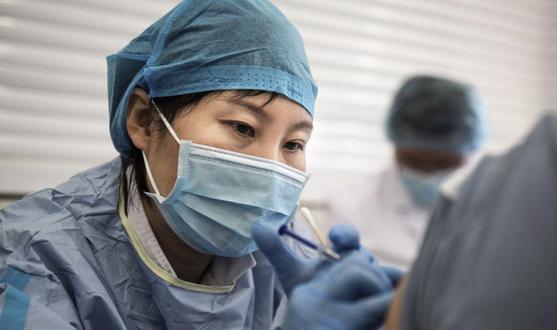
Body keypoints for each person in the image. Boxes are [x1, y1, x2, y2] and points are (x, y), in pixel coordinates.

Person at [0, 0, 343, 328]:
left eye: (293, 144)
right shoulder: (33, 262)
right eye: (242, 127)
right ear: (145, 120)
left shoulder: (287, 260)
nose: (270, 172)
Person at [254, 114, 557, 329]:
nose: (427, 172)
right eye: (242, 127)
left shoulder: (542, 177)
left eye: (294, 144)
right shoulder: (537, 170)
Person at [327, 75, 487, 268]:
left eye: (444, 164)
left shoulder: (493, 206)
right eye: (415, 161)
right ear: (395, 145)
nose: (429, 174)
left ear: (469, 153)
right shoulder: (350, 201)